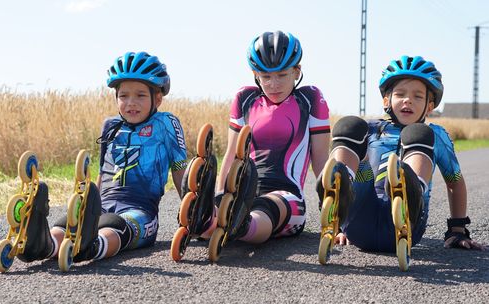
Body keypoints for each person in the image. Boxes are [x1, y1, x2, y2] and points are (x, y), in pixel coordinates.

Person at [17, 51, 187, 266]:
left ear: (158, 98)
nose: (131, 102)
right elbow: (102, 173)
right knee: (68, 224)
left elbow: (180, 169)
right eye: (123, 95)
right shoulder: (110, 126)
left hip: (140, 211)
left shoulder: (166, 124)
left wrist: (193, 213)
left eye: (140, 95)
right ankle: (43, 244)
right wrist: (90, 202)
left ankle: (92, 246)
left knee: (115, 226)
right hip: (103, 204)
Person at [317, 55, 486, 259]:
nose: (408, 100)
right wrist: (343, 226)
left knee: (419, 134)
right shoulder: (371, 129)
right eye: (400, 94)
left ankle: (409, 193)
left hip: (407, 225)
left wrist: (457, 230)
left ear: (429, 106)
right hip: (358, 224)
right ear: (387, 100)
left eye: (418, 96)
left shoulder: (435, 135)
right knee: (350, 126)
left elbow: (455, 181)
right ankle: (337, 200)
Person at [206, 30, 330, 258]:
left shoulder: (310, 99)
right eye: (265, 76)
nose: (273, 84)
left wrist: (332, 217)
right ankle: (206, 222)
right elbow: (233, 154)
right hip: (244, 191)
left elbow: (321, 160)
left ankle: (238, 226)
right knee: (216, 210)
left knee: (264, 209)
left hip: (287, 199)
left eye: (282, 75)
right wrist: (220, 196)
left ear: (297, 72)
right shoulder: (245, 98)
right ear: (255, 74)